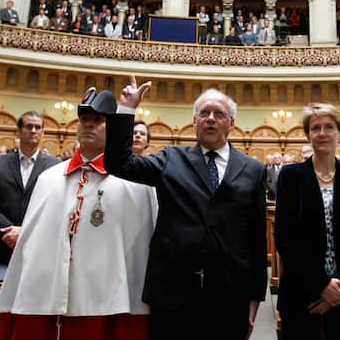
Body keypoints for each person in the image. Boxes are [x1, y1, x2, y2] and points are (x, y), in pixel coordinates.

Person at [104, 78, 268, 339]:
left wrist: (255, 298)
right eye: (204, 113)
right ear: (194, 122)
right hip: (173, 294)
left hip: (229, 295)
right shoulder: (171, 159)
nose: (210, 118)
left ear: (232, 124)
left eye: (219, 114)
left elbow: (257, 240)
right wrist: (127, 110)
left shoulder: (254, 169)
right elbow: (118, 163)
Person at [0, 88, 157, 339]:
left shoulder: (137, 184)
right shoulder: (48, 178)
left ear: (114, 127)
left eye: (99, 121)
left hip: (109, 307)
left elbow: (141, 252)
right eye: (84, 120)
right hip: (45, 302)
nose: (89, 125)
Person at [275, 103, 340, 340]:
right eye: (315, 128)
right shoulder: (291, 176)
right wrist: (321, 286)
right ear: (308, 135)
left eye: (329, 127)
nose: (322, 133)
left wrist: (338, 288)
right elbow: (285, 239)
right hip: (301, 289)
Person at [0, 111, 58, 264]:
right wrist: (10, 229)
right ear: (18, 131)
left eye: (37, 127)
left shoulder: (54, 166)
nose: (33, 131)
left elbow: (55, 207)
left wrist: (24, 232)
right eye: (29, 126)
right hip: (0, 243)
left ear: (43, 132)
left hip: (37, 246)